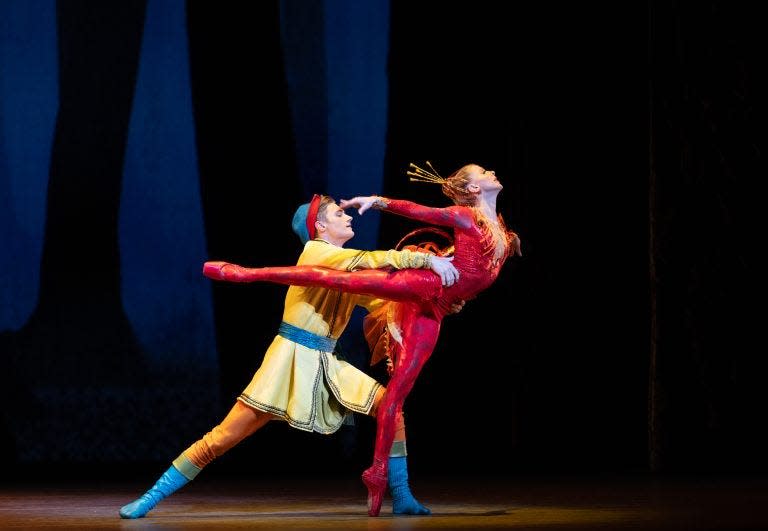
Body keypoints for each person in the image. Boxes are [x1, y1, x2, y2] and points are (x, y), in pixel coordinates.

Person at [202, 162, 522, 516]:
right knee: (339, 280)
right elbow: (416, 213)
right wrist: (379, 203)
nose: (492, 172)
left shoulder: (501, 232)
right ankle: (243, 273)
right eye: (483, 172)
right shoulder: (465, 217)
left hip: (437, 306)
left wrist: (452, 298)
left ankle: (387, 481)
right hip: (424, 287)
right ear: (473, 189)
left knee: (396, 396)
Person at [118, 193, 458, 519]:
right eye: (338, 213)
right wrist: (424, 259)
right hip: (290, 359)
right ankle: (150, 497)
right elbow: (373, 258)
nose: (348, 215)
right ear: (320, 227)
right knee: (222, 438)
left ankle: (401, 496)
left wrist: (435, 300)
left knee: (391, 408)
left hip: (326, 361)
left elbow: (385, 304)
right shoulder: (315, 252)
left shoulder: (346, 268)